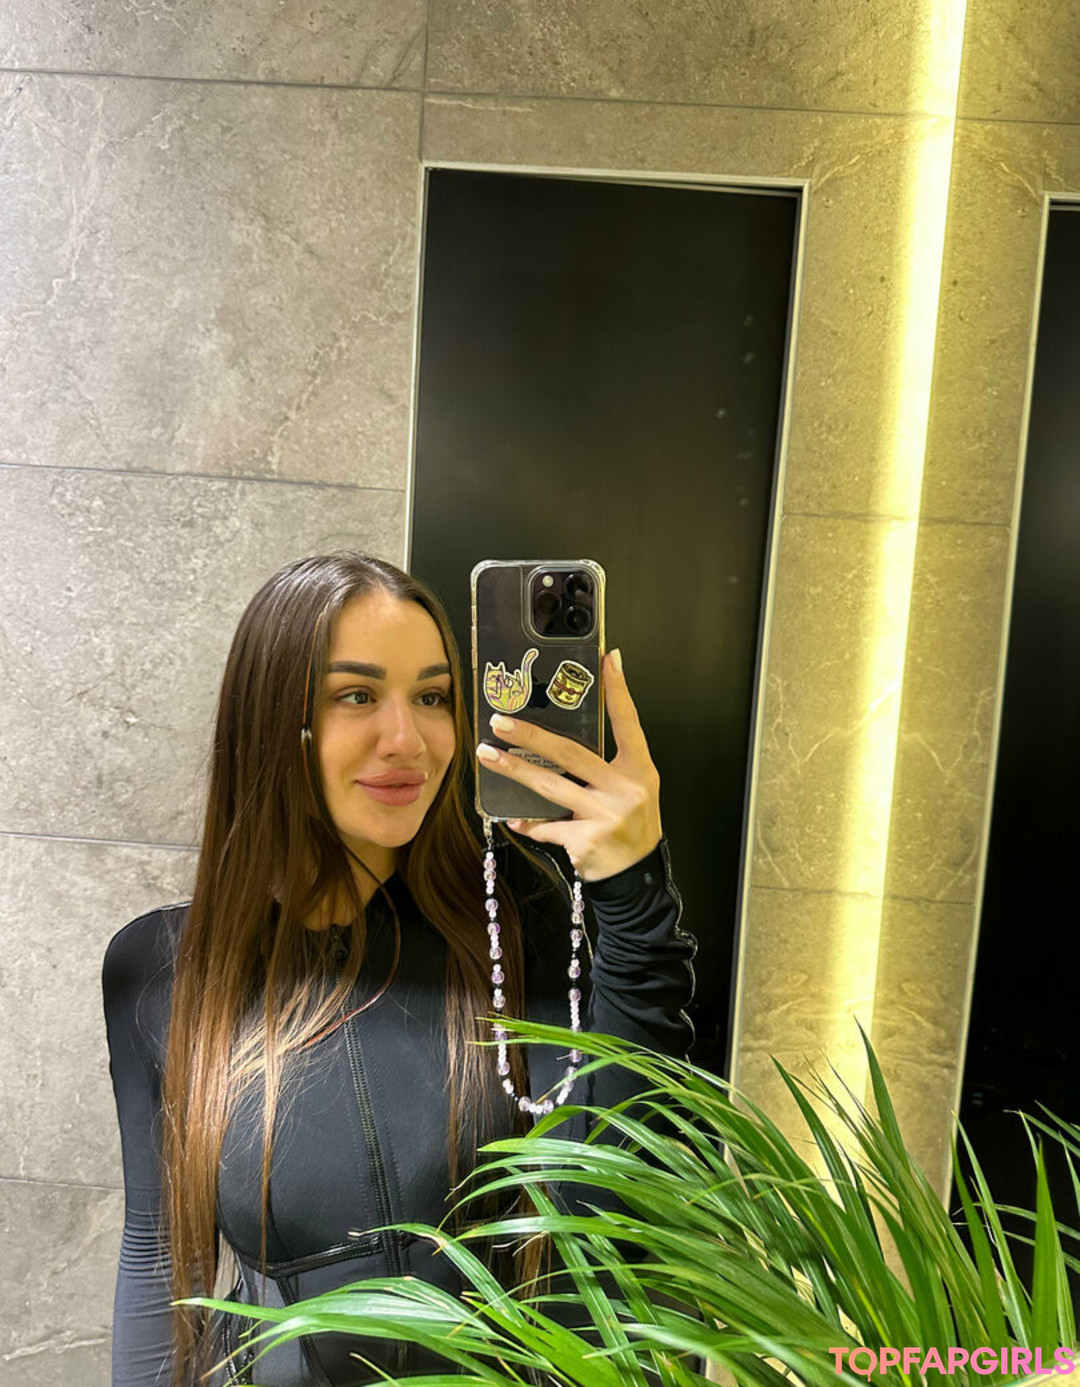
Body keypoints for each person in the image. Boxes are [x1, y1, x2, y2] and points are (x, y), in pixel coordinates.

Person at [103, 552, 696, 1387]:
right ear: (273, 718)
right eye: (356, 695)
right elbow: (158, 1256)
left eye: (433, 697)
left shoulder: (509, 918)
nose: (408, 740)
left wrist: (633, 899)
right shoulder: (161, 969)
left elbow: (612, 1203)